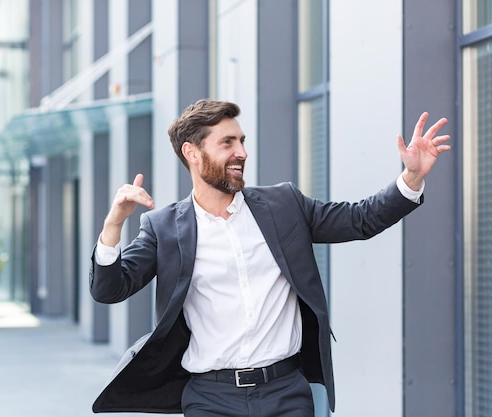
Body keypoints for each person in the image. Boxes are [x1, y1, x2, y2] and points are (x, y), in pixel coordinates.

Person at [89, 99, 451, 416]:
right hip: (210, 398)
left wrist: (411, 177)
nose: (242, 152)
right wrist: (113, 225)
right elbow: (110, 289)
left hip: (286, 393)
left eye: (242, 141)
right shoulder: (164, 227)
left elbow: (360, 220)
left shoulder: (283, 206)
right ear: (192, 153)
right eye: (227, 143)